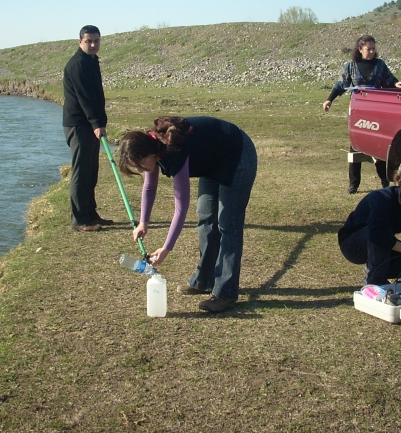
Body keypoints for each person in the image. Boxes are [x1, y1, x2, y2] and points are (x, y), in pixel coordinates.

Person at [117, 116, 257, 313]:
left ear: (147, 151)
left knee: (228, 225)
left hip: (237, 154)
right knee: (206, 218)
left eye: (140, 165)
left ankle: (225, 293)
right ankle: (204, 280)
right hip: (213, 160)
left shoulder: (174, 151)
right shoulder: (152, 148)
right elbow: (149, 187)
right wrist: (143, 222)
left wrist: (166, 248)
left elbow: (181, 208)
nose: (141, 170)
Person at [323, 34, 401, 194]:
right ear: (360, 49)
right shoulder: (351, 66)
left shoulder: (380, 65)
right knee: (356, 145)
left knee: (378, 143)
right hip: (357, 109)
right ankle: (353, 184)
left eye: (374, 49)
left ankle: (384, 180)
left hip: (376, 109)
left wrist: (396, 83)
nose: (372, 52)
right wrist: (329, 100)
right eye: (368, 49)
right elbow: (342, 84)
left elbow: (389, 80)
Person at [63, 25, 113, 232]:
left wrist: (101, 121)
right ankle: (79, 219)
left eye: (96, 41)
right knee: (81, 172)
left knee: (92, 171)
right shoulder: (77, 65)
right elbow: (84, 99)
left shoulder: (92, 61)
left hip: (90, 125)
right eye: (88, 41)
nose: (93, 45)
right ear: (80, 42)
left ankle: (90, 213)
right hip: (78, 124)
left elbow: (96, 96)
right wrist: (96, 123)